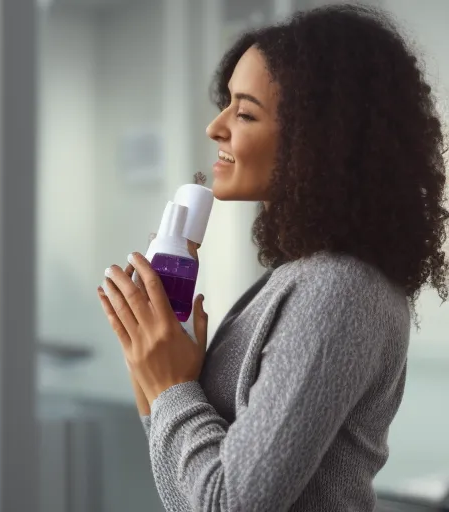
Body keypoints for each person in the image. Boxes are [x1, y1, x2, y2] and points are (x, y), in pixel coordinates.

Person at [97, 4, 448, 511]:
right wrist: (151, 368)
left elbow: (228, 504)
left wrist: (171, 387)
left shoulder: (339, 290)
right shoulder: (297, 278)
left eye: (244, 112)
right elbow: (191, 497)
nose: (215, 128)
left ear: (320, 139)